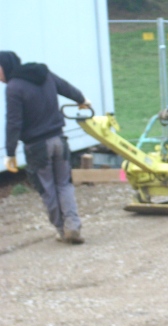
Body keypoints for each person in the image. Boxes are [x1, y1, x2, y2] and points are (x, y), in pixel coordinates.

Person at [0, 51, 90, 245]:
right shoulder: (44, 73)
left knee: (47, 189)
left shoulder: (14, 87)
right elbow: (66, 88)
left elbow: (13, 122)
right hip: (59, 140)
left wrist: (10, 153)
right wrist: (81, 100)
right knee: (64, 185)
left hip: (37, 147)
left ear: (6, 66)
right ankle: (73, 226)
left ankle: (61, 230)